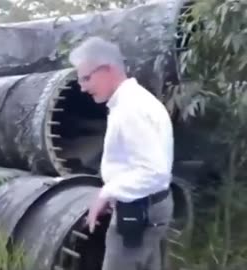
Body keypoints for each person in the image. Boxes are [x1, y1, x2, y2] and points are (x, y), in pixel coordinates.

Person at [68, 36, 174, 270]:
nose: (83, 87)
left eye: (86, 78)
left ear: (107, 70)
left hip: (138, 210)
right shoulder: (134, 101)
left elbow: (153, 172)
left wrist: (107, 193)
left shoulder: (130, 109)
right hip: (146, 206)